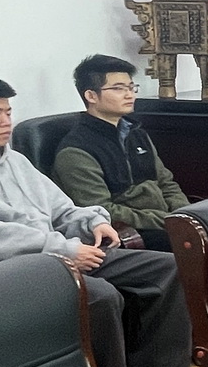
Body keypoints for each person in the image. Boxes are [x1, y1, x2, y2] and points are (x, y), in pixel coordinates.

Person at [0, 75, 200, 367]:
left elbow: (62, 208)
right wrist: (64, 250)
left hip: (56, 257)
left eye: (8, 112)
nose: (6, 121)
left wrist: (92, 222)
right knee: (99, 296)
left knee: (166, 268)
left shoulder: (15, 161)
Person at [50, 55, 189, 254]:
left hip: (164, 222)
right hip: (130, 233)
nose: (129, 95)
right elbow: (103, 210)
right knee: (197, 248)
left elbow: (166, 183)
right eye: (118, 88)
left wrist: (185, 214)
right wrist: (167, 220)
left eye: (131, 87)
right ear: (91, 96)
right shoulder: (75, 151)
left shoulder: (136, 133)